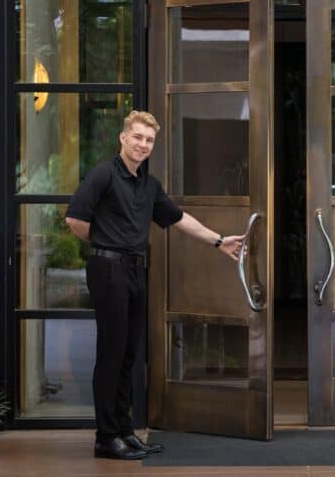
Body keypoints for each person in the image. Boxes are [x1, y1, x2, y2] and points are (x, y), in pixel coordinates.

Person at [65, 110, 244, 460]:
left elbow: (179, 218)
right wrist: (105, 247)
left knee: (130, 353)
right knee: (111, 353)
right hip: (108, 270)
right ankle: (106, 438)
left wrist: (218, 240)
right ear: (123, 137)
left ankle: (124, 431)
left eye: (149, 140)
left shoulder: (149, 184)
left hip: (134, 272)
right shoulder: (103, 174)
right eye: (137, 137)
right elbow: (75, 219)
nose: (143, 144)